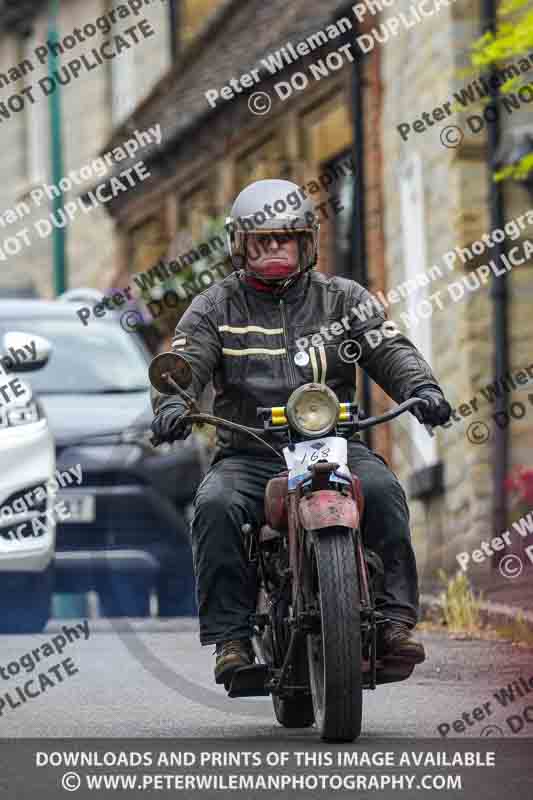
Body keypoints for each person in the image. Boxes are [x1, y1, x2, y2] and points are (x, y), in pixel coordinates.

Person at [151, 179, 451, 688]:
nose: (274, 248)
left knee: (382, 490)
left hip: (334, 444)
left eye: (285, 238)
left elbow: (388, 348)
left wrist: (423, 389)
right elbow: (185, 365)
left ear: (307, 241)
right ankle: (232, 639)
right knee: (216, 505)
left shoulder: (343, 300)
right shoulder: (214, 307)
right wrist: (172, 406)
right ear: (239, 245)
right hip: (249, 451)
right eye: (261, 240)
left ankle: (395, 621)